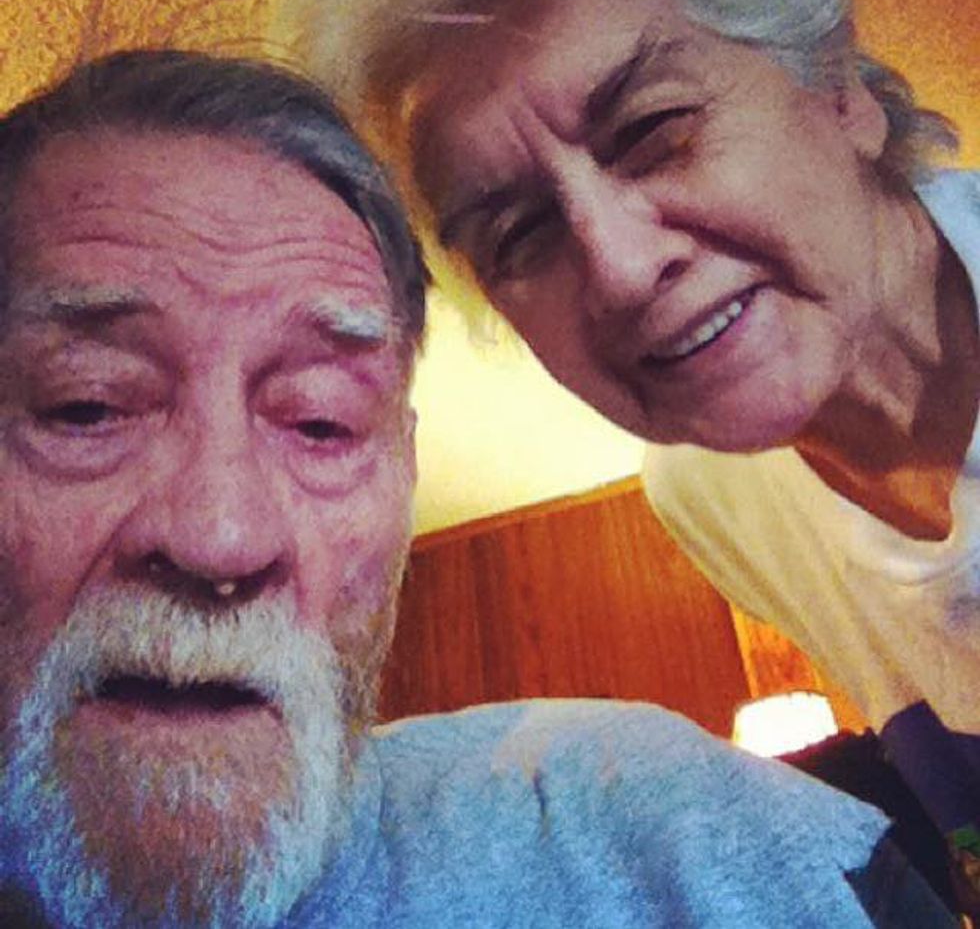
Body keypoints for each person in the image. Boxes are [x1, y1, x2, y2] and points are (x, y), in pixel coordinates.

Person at [0, 49, 957, 929]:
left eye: (323, 422)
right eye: (86, 407)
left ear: (405, 472)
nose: (222, 535)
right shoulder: (717, 494)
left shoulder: (666, 838)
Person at [287, 0, 980, 869]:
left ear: (839, 89)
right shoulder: (708, 491)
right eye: (520, 233)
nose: (619, 269)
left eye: (657, 130)